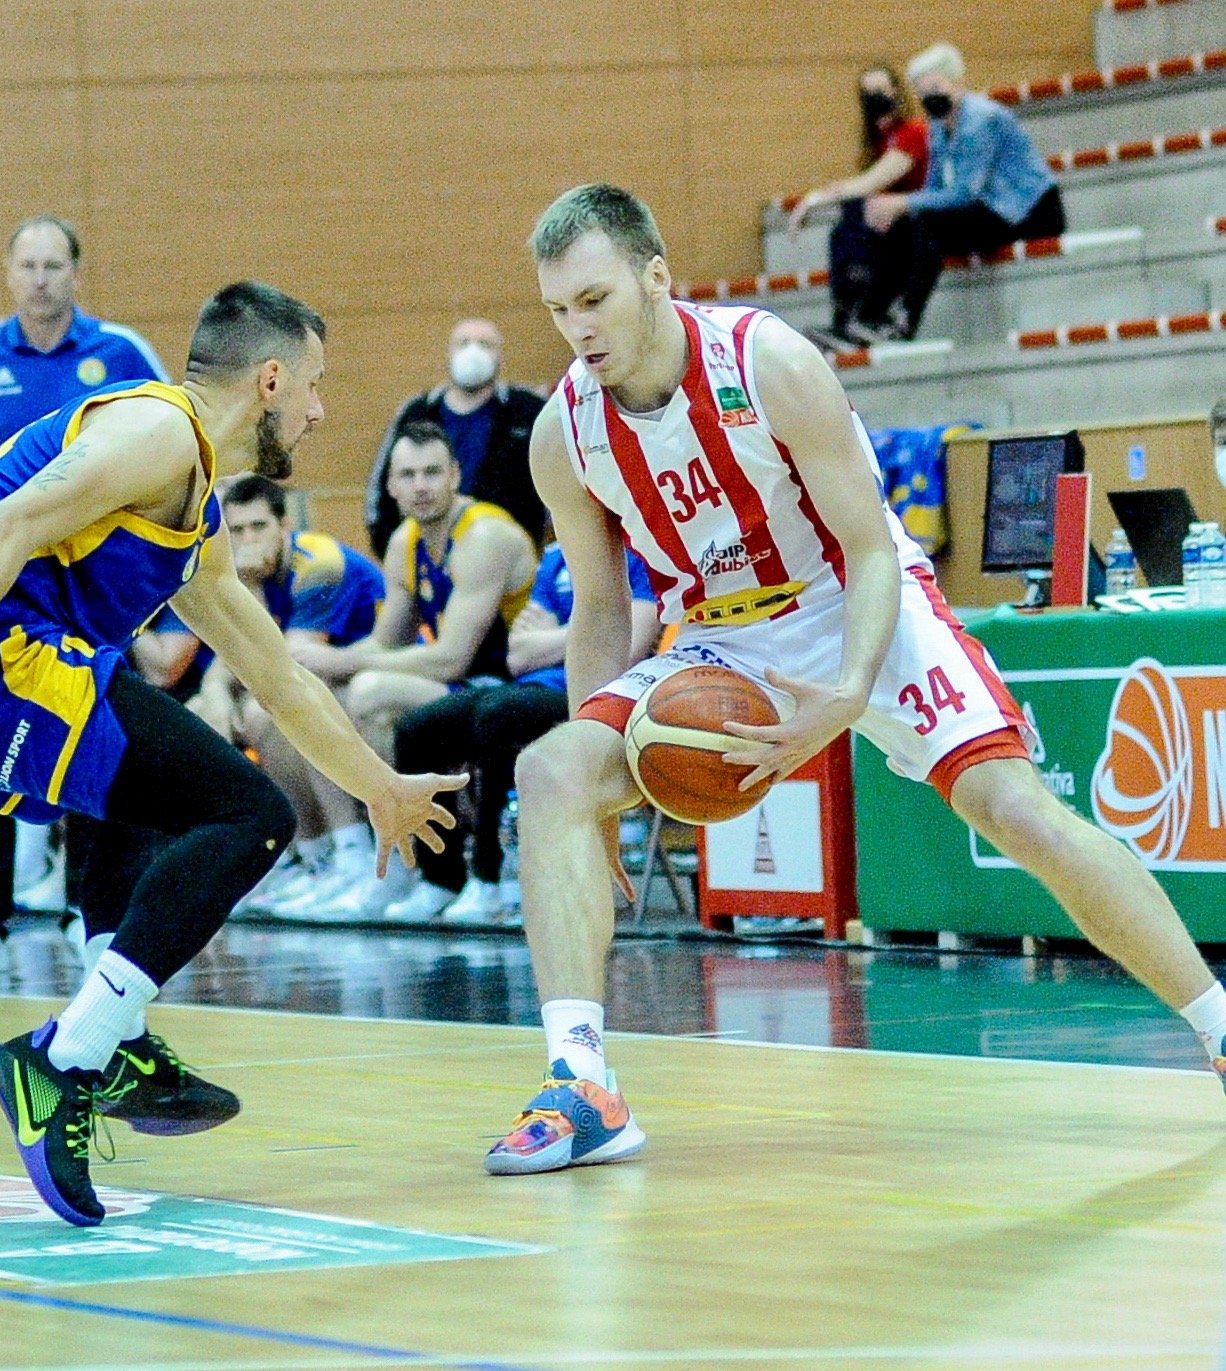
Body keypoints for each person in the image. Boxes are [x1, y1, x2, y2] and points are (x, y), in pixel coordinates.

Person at [484, 183, 1226, 1177]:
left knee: (1019, 814)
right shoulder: (563, 433)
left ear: (656, 278)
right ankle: (582, 1085)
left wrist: (844, 693)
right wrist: (600, 788)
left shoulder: (767, 363)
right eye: (558, 310)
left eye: (595, 299)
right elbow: (604, 608)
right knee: (552, 775)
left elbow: (873, 552)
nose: (578, 330)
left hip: (851, 597)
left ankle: (1219, 1023)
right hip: (722, 636)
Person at [0, 281, 462, 1224]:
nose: (319, 410)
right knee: (251, 814)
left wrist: (379, 789)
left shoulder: (193, 518)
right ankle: (64, 1059)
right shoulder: (160, 432)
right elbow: (5, 526)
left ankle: (114, 1034)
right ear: (268, 380)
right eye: (314, 385)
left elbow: (282, 680)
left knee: (133, 786)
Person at [0, 214, 169, 975]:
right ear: (9, 273)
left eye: (55, 264)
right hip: (0, 576)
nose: (41, 278)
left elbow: (165, 438)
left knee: (93, 719)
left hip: (90, 578)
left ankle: (88, 915)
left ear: (77, 274)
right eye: (29, 265)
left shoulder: (118, 353)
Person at [276, 419, 536, 921]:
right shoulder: (406, 542)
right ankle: (351, 853)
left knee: (371, 691)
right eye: (409, 475)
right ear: (391, 486)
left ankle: (403, 854)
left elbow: (451, 656)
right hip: (461, 687)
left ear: (456, 476)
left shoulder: (483, 536)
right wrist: (327, 665)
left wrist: (345, 660)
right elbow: (386, 641)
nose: (421, 486)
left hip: (511, 685)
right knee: (321, 695)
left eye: (432, 473)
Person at [387, 541, 659, 924]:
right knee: (419, 729)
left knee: (498, 715)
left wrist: (556, 636)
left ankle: (490, 875)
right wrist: (589, 630)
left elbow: (627, 647)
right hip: (533, 687)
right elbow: (518, 655)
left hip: (605, 692)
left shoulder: (641, 550)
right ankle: (440, 879)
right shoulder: (556, 557)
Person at [184, 473, 385, 913]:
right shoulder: (246, 573)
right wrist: (215, 692)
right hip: (322, 676)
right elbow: (234, 655)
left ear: (284, 525)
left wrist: (250, 590)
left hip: (370, 671)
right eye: (236, 531)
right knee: (202, 713)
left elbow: (286, 661)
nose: (248, 539)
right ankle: (301, 855)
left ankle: (345, 850)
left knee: (269, 712)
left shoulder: (320, 564)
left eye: (259, 527)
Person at [858, 42, 1065, 340]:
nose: (930, 96)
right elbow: (934, 185)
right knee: (903, 225)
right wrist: (901, 209)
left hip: (1032, 212)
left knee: (929, 223)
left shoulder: (981, 119)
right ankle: (870, 314)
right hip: (994, 208)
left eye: (936, 86)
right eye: (923, 91)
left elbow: (964, 192)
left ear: (956, 82)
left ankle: (906, 320)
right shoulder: (940, 124)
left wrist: (903, 202)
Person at [363, 319, 546, 555]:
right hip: (426, 555)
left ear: (500, 357)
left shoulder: (529, 410)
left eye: (484, 344)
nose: (473, 352)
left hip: (507, 556)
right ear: (448, 355)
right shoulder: (417, 411)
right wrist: (389, 546)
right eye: (463, 343)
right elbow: (381, 484)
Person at [787, 66, 930, 347]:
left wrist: (813, 200)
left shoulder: (914, 131)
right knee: (845, 229)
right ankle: (845, 318)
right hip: (891, 222)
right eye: (867, 93)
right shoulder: (879, 142)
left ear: (897, 92)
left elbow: (872, 182)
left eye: (881, 90)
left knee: (856, 211)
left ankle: (865, 316)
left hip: (920, 221)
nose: (874, 98)